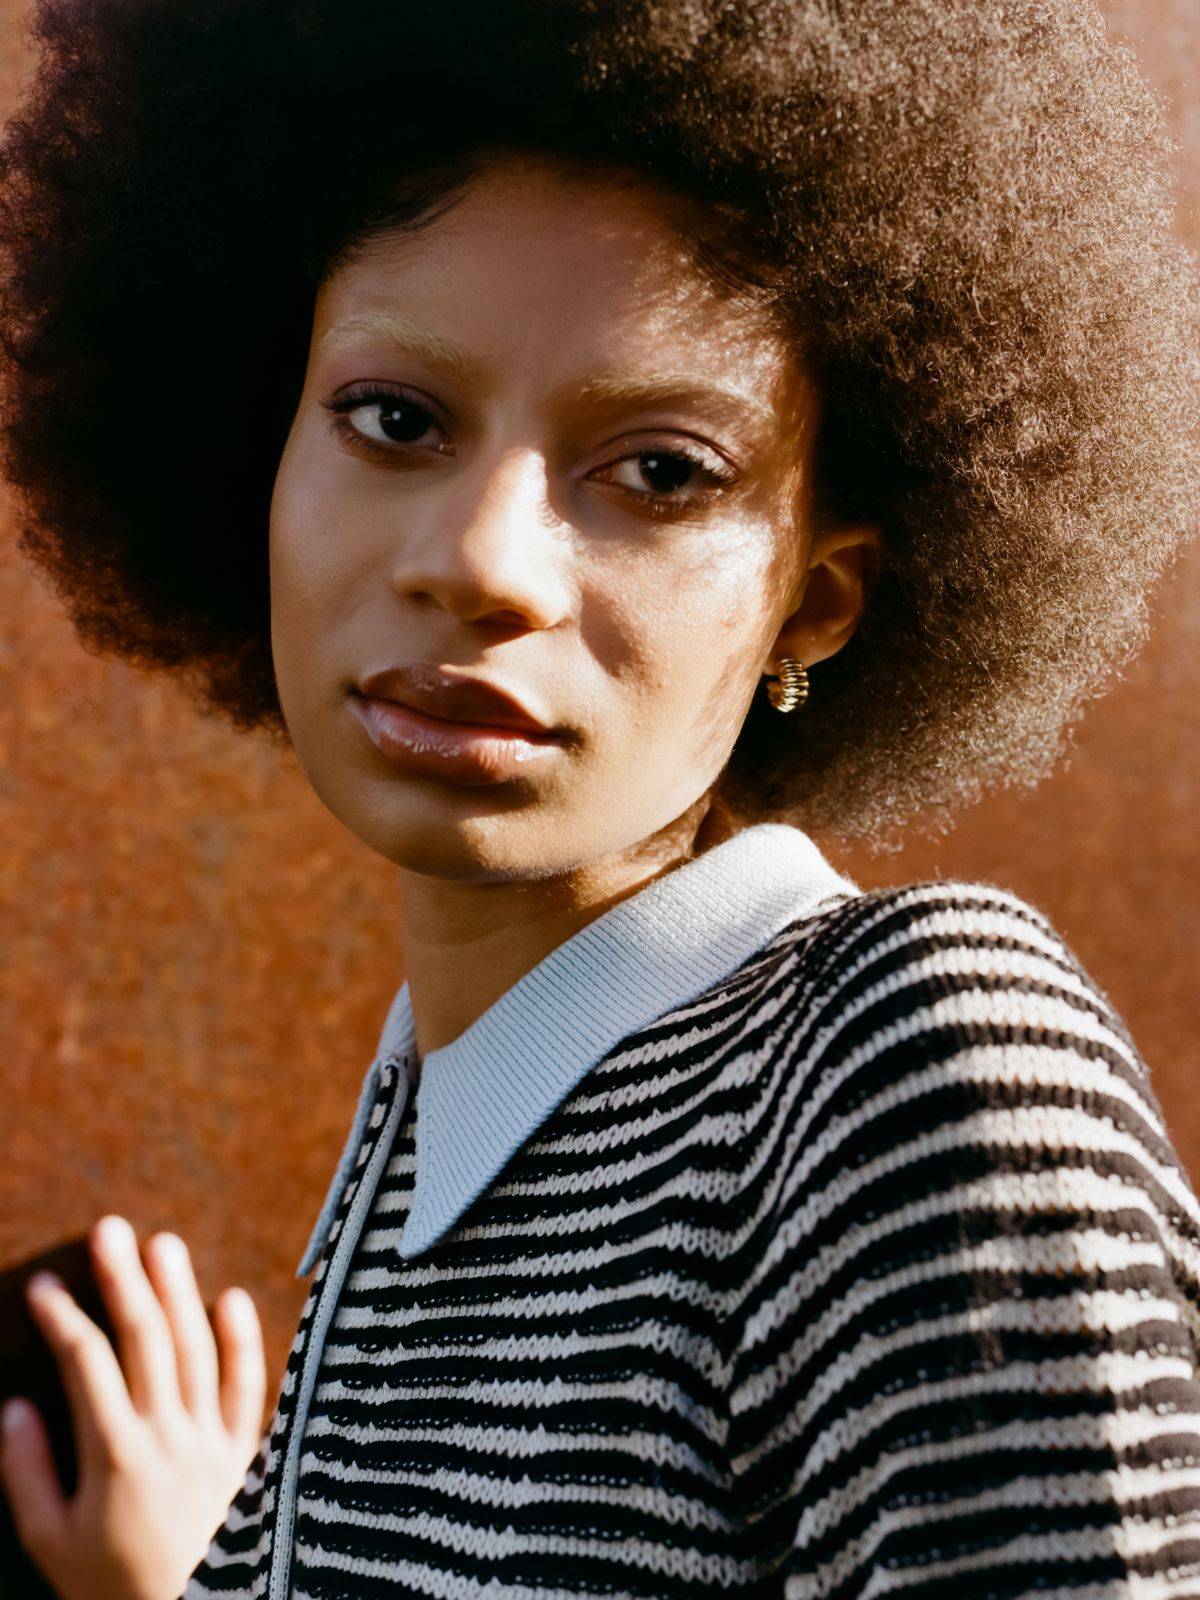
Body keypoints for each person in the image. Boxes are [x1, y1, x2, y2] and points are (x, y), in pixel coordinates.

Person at [0, 0, 1197, 1595]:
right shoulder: (425, 1131)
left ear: (816, 601)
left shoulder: (903, 1063)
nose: (480, 562)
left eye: (661, 472)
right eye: (395, 420)